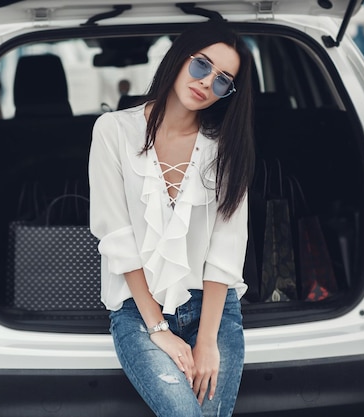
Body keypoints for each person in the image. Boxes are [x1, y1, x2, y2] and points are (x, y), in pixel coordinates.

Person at [88, 21, 254, 417]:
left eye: (221, 80)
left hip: (213, 309)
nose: (205, 82)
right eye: (202, 65)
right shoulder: (113, 131)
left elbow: (226, 250)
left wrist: (208, 341)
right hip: (137, 309)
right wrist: (158, 328)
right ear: (180, 58)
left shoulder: (226, 148)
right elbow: (117, 236)